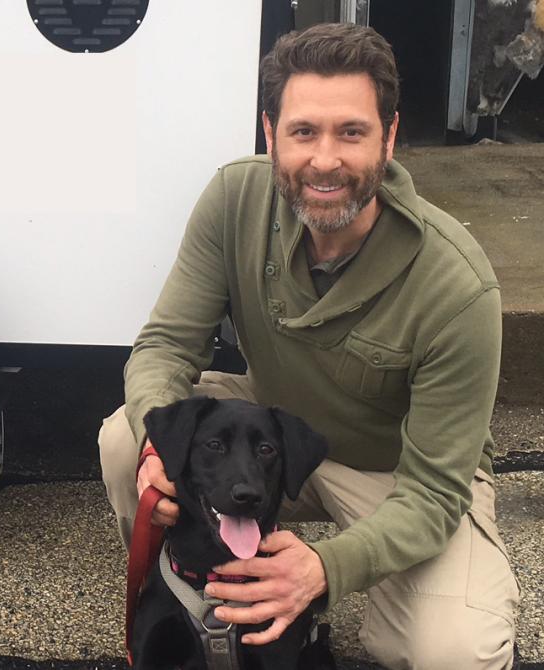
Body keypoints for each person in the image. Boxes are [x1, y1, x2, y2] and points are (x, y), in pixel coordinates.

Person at [98, 22, 519, 670]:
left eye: (351, 132)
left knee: (451, 652)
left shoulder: (455, 287)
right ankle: (196, 595)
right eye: (303, 132)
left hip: (399, 471)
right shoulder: (235, 198)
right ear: (271, 135)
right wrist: (160, 445)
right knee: (127, 439)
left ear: (390, 138)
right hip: (273, 439)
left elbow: (436, 493)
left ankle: (288, 582)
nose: (325, 159)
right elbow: (163, 346)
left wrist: (324, 566)